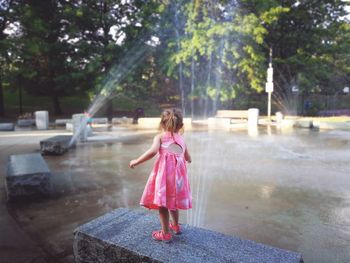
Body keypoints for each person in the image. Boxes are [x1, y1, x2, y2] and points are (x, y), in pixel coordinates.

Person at [129, 108, 192, 242]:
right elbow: (187, 156)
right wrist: (188, 160)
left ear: (162, 124)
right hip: (178, 179)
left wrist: (137, 161)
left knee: (163, 205)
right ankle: (175, 226)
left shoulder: (160, 137)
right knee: (173, 202)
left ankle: (165, 234)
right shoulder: (182, 139)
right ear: (181, 126)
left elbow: (152, 152)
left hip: (165, 177)